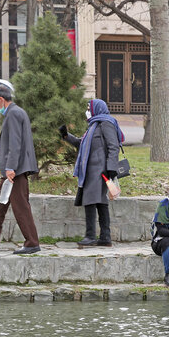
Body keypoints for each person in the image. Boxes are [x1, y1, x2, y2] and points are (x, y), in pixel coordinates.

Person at [0, 85, 41, 254]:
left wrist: (10, 168)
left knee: (21, 207)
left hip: (15, 171)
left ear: (2, 100)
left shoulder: (13, 113)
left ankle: (32, 243)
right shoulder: (14, 113)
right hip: (12, 171)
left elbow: (15, 144)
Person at [59, 99, 123, 248]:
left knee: (90, 200)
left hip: (101, 170)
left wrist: (111, 168)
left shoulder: (106, 123)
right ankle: (105, 237)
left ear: (97, 109)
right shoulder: (94, 125)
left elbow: (114, 146)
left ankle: (90, 236)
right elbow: (82, 143)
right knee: (100, 202)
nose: (88, 110)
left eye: (89, 108)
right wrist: (66, 136)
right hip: (91, 169)